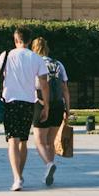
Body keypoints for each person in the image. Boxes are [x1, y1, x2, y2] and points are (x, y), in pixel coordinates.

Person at [0, 27, 50, 191]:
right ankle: (19, 176)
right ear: (29, 40)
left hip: (10, 102)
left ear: (16, 39)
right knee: (23, 141)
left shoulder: (6, 55)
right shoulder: (36, 58)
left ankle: (16, 178)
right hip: (28, 103)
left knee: (12, 140)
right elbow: (44, 84)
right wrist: (46, 105)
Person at [31, 37, 71, 186]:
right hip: (58, 106)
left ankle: (49, 165)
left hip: (41, 104)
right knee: (51, 142)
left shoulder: (36, 64)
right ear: (47, 48)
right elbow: (65, 89)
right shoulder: (58, 64)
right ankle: (49, 167)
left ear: (34, 49)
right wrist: (67, 109)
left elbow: (33, 87)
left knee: (39, 142)